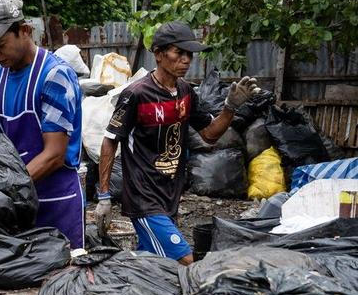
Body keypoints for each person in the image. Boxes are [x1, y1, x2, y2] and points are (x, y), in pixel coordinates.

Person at [95, 21, 259, 265]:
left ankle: (124, 288)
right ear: (159, 55)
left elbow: (209, 135)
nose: (186, 60)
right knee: (184, 259)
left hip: (170, 193)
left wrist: (230, 107)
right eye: (179, 52)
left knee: (152, 262)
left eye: (189, 54)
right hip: (144, 197)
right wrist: (104, 196)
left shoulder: (185, 92)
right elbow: (110, 142)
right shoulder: (136, 95)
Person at [0, 0, 86, 250]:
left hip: (55, 202)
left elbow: (55, 154)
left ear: (24, 31)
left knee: (63, 282)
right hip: (15, 205)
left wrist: (3, 190)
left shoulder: (54, 76)